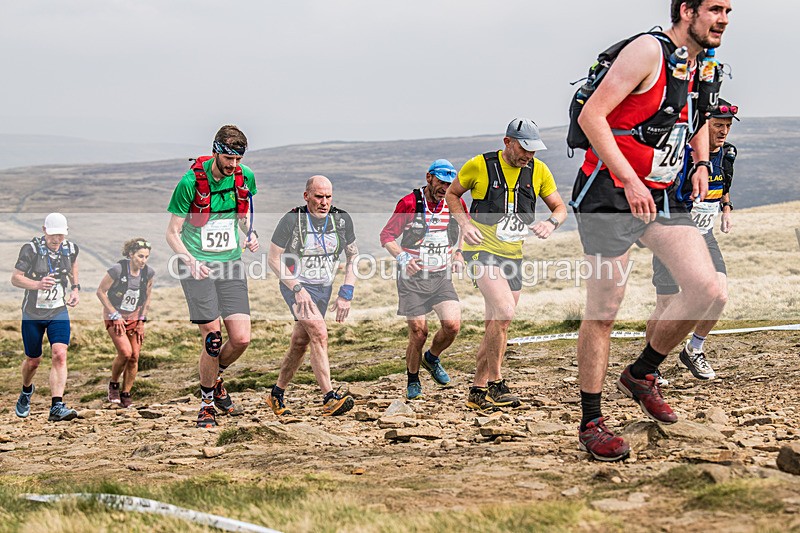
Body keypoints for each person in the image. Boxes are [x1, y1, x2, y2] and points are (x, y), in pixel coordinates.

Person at [571, 0, 731, 460]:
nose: (723, 19)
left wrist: (701, 162)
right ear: (687, 10)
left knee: (706, 288)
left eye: (729, 10)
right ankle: (592, 422)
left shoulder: (704, 64)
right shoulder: (647, 51)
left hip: (663, 194)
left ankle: (642, 372)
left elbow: (696, 118)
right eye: (715, 9)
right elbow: (592, 117)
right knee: (604, 311)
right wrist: (628, 178)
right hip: (610, 195)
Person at [446, 119, 567, 412]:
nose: (529, 156)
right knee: (504, 312)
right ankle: (497, 384)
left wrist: (551, 224)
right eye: (525, 149)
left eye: (534, 151)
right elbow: (452, 194)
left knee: (497, 323)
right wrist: (463, 223)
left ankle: (477, 391)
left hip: (513, 255)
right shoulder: (479, 165)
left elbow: (560, 208)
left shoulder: (538, 171)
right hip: (481, 252)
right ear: (508, 142)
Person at [166, 125, 260, 428]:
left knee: (241, 339)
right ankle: (206, 405)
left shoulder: (244, 177)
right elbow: (171, 233)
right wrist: (191, 261)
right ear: (216, 151)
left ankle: (214, 378)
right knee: (213, 338)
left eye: (237, 161)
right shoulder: (190, 182)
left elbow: (243, 215)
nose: (233, 166)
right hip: (197, 265)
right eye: (228, 159)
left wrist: (251, 234)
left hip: (230, 263)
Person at [647, 98, 738, 383]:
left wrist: (725, 209)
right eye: (717, 126)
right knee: (668, 303)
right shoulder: (684, 155)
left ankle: (694, 349)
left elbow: (724, 185)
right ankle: (649, 366)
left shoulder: (728, 154)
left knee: (719, 295)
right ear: (704, 125)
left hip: (705, 234)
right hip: (674, 236)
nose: (723, 131)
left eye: (727, 126)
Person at [266, 175, 358, 417]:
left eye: (328, 197)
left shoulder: (341, 220)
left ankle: (275, 394)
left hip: (323, 287)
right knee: (319, 332)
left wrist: (346, 291)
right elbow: (273, 259)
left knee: (300, 342)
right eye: (318, 196)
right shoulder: (291, 220)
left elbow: (353, 257)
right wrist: (297, 288)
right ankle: (329, 398)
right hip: (295, 286)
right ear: (306, 196)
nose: (324, 202)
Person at [380, 159, 466, 400]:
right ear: (429, 178)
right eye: (441, 183)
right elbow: (386, 236)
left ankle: (432, 358)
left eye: (450, 184)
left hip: (440, 277)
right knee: (419, 332)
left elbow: (466, 228)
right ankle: (413, 378)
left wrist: (459, 253)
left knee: (452, 326)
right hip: (412, 279)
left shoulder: (454, 202)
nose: (445, 189)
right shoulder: (409, 203)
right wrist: (403, 258)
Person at [10, 213, 81, 422]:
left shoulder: (70, 249)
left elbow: (73, 265)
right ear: (44, 231)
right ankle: (26, 390)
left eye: (60, 235)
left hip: (58, 310)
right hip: (33, 313)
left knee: (59, 354)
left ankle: (57, 406)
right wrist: (37, 285)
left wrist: (75, 288)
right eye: (52, 235)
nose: (56, 240)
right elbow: (15, 278)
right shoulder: (30, 250)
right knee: (33, 360)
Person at [96, 238, 155, 408]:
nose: (143, 260)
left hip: (135, 316)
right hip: (115, 315)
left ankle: (126, 392)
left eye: (146, 257)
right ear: (131, 254)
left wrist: (142, 321)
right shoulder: (117, 270)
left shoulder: (148, 273)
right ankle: (114, 384)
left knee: (135, 356)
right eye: (140, 256)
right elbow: (100, 292)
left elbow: (147, 298)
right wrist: (114, 314)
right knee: (125, 352)